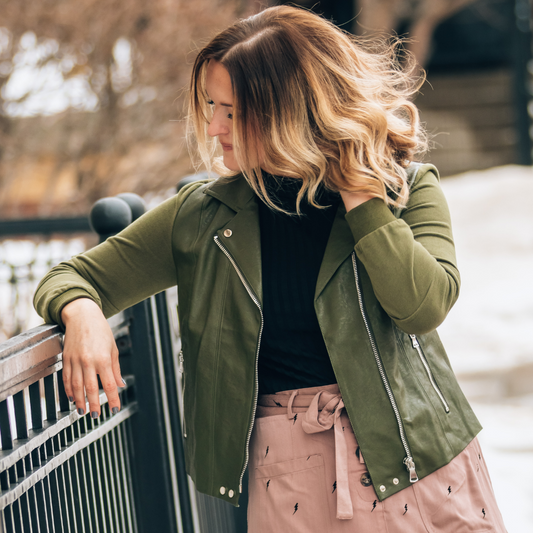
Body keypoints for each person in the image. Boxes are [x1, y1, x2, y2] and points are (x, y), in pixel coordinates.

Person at [34, 5, 507, 532]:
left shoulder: (405, 188)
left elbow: (423, 307)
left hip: (420, 458)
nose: (213, 127)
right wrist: (83, 315)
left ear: (293, 109)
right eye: (212, 106)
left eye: (232, 112)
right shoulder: (204, 216)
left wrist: (364, 199)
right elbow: (73, 277)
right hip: (290, 476)